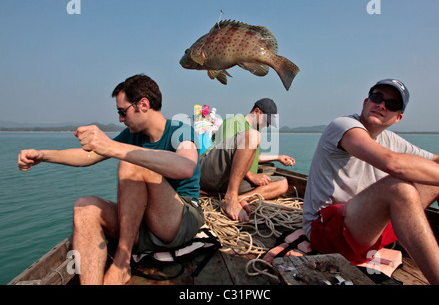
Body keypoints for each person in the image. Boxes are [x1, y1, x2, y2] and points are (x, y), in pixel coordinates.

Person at [17, 74, 204, 285]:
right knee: (84, 207)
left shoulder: (180, 131)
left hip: (178, 222)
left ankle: (122, 264)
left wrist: (113, 148)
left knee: (132, 161)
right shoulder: (132, 136)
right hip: (143, 225)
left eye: (122, 112)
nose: (120, 120)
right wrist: (43, 155)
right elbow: (89, 156)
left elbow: (186, 166)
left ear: (143, 105)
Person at [303, 79, 439, 284]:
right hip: (328, 232)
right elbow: (392, 164)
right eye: (377, 97)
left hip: (369, 231)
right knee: (399, 188)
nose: (381, 105)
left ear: (397, 117)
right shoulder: (344, 126)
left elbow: (436, 160)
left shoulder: (390, 139)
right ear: (365, 101)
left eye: (391, 104)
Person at [199, 98, 295, 222]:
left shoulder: (254, 133)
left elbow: (249, 158)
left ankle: (240, 198)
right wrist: (251, 176)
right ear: (257, 111)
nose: (268, 125)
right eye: (267, 121)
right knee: (253, 136)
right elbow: (228, 154)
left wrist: (277, 157)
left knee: (283, 183)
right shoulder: (234, 122)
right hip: (211, 172)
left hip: (230, 181)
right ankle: (230, 198)